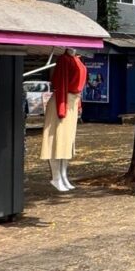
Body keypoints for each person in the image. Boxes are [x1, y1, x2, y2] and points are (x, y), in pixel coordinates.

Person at [40, 49, 87, 192]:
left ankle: (63, 175)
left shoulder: (77, 59)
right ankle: (56, 177)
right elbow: (61, 83)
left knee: (67, 142)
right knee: (57, 140)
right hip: (63, 101)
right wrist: (62, 107)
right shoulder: (63, 59)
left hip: (71, 101)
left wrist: (78, 105)